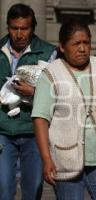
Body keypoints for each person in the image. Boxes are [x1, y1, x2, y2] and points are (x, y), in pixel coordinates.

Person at [32, 20, 96, 199]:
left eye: (86, 42)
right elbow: (40, 119)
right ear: (63, 47)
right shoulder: (51, 75)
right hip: (66, 160)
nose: (82, 48)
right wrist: (46, 159)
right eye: (76, 44)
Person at [0, 3, 56, 200]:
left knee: (32, 190)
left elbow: (58, 92)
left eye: (24, 28)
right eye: (14, 28)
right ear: (8, 27)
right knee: (3, 189)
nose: (19, 34)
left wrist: (34, 92)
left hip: (34, 132)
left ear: (33, 28)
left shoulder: (49, 53)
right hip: (3, 132)